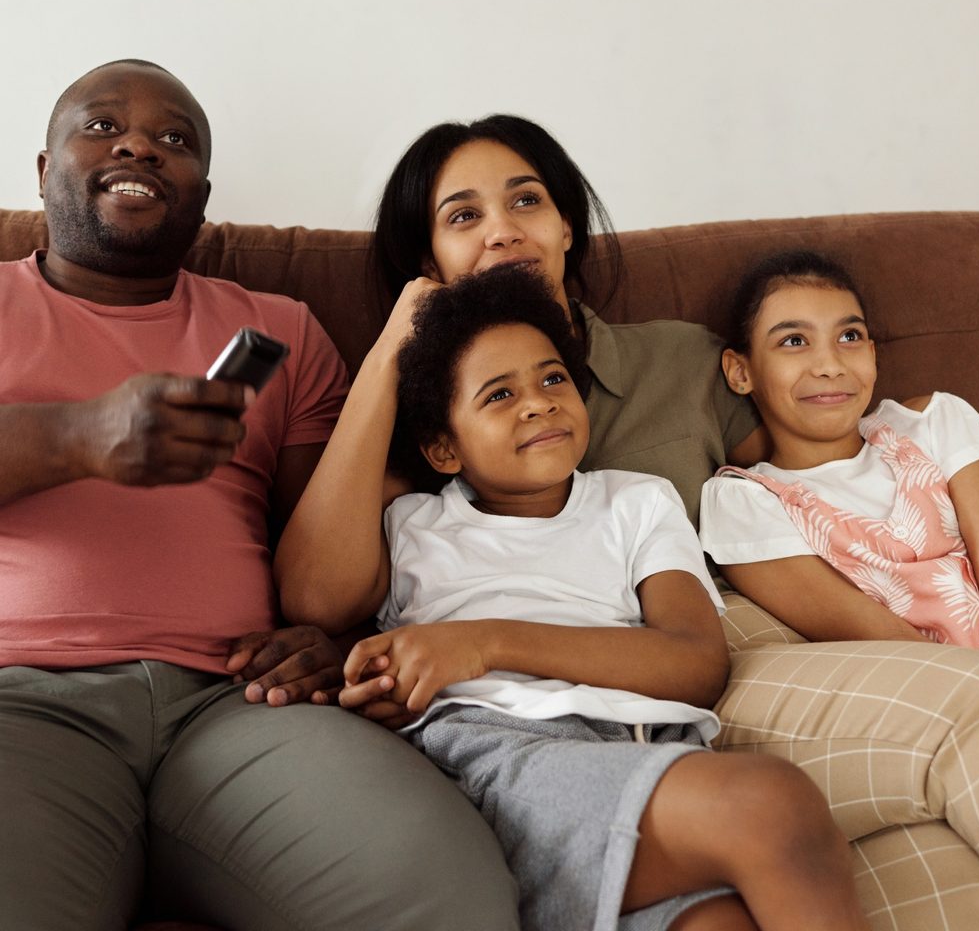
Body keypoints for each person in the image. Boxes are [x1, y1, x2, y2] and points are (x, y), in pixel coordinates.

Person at [275, 113, 979, 925]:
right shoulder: (421, 452)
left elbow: (826, 457)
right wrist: (395, 345)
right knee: (948, 758)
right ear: (429, 262)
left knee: (951, 867)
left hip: (735, 638)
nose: (502, 232)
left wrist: (940, 449)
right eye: (464, 217)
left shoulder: (682, 362)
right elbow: (322, 596)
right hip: (573, 717)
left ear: (566, 223)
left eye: (525, 200)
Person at [0, 60, 517, 931]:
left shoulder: (279, 329)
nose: (139, 145)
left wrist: (334, 638)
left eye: (176, 141)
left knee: (446, 900)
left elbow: (324, 546)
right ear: (44, 172)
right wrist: (76, 437)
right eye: (100, 127)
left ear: (203, 199)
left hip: (242, 704)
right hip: (23, 701)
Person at [338, 262, 870, 931]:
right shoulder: (412, 522)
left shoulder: (636, 501)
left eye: (553, 378)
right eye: (498, 396)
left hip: (646, 746)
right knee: (770, 804)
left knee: (718, 923)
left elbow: (697, 665)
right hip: (500, 757)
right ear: (444, 447)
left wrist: (485, 642)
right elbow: (315, 598)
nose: (538, 402)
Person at [696, 249, 979, 659]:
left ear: (872, 353)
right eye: (794, 341)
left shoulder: (931, 423)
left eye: (848, 337)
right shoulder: (744, 503)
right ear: (741, 372)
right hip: (959, 691)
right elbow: (889, 643)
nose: (830, 365)